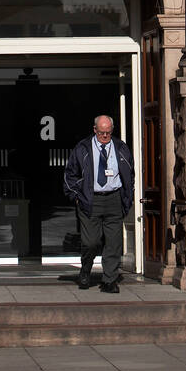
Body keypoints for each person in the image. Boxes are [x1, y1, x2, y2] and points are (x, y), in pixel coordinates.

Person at [63, 115, 135, 293]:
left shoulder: (120, 148)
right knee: (91, 242)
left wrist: (128, 194)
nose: (105, 136)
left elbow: (129, 173)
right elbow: (69, 175)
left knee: (113, 242)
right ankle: (86, 269)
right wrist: (77, 196)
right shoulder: (82, 148)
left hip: (114, 198)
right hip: (90, 199)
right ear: (95, 130)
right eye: (102, 132)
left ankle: (109, 279)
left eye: (108, 132)